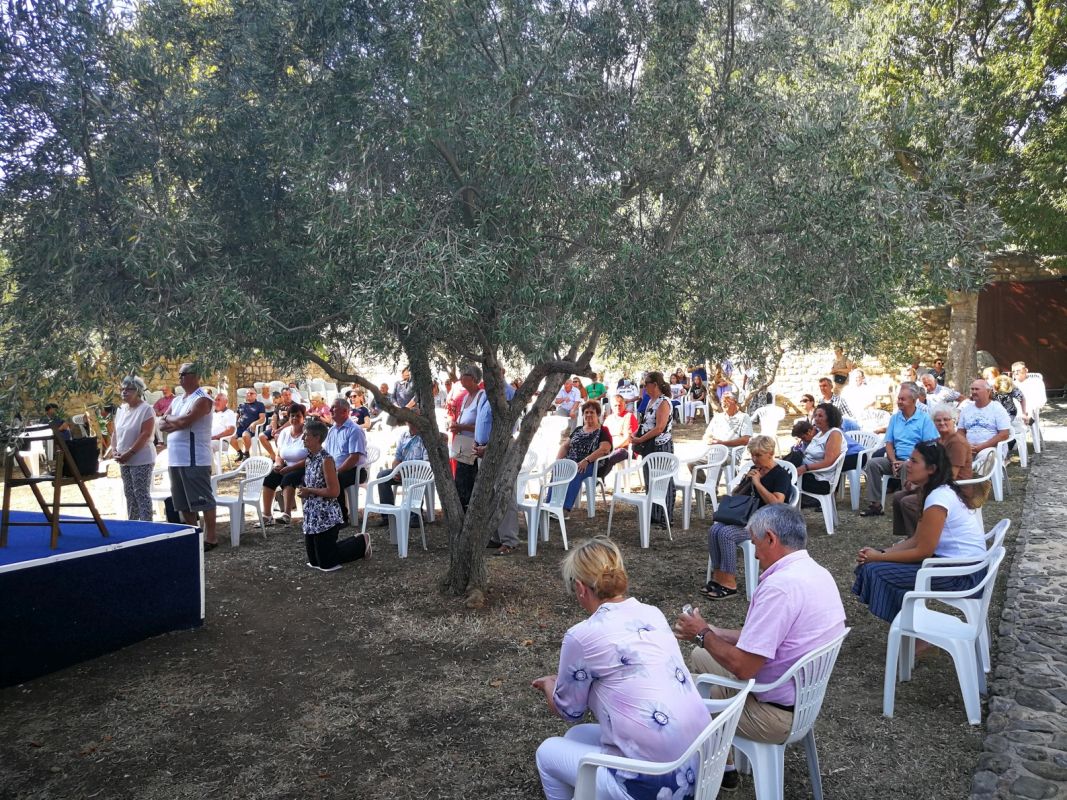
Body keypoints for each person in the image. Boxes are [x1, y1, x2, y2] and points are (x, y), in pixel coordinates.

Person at [532, 537, 711, 800]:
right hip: (701, 765)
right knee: (576, 736)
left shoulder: (581, 635)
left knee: (547, 753)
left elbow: (569, 710)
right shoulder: (652, 612)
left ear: (580, 588)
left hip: (658, 783)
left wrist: (551, 685)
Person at [675, 505, 846, 767]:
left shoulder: (780, 587)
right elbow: (771, 638)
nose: (754, 554)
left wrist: (703, 634)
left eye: (755, 544)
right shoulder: (817, 573)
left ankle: (718, 771)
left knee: (681, 690)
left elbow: (743, 667)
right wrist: (715, 632)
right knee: (701, 655)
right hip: (801, 700)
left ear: (771, 538)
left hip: (773, 712)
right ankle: (726, 761)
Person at [853, 441, 986, 628]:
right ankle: (911, 627)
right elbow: (916, 539)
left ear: (931, 469)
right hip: (961, 567)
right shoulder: (936, 491)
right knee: (871, 566)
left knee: (873, 571)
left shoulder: (938, 498)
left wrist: (878, 558)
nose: (908, 464)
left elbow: (923, 551)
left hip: (963, 575)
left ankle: (914, 632)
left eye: (914, 461)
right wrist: (881, 552)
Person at [702, 435, 791, 600]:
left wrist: (758, 483)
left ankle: (730, 583)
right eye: (752, 455)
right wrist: (747, 482)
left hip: (767, 523)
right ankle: (718, 576)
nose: (755, 459)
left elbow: (777, 503)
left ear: (770, 453)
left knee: (726, 534)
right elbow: (736, 495)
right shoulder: (754, 469)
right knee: (714, 530)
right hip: (745, 518)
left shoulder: (781, 475)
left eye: (759, 455)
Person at [158, 363, 219, 550]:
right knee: (182, 502)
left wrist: (172, 420)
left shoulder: (202, 399)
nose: (180, 378)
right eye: (179, 374)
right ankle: (194, 534)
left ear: (195, 376)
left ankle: (211, 537)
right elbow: (161, 423)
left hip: (194, 458)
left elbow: (186, 421)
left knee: (203, 500)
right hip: (175, 458)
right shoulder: (177, 400)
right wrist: (173, 420)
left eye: (183, 374)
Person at [297, 420, 371, 571]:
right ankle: (342, 544)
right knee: (314, 561)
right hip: (312, 515)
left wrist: (309, 491)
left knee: (327, 563)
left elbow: (334, 491)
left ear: (317, 437)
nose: (303, 438)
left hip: (326, 516)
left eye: (306, 435)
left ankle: (361, 543)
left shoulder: (326, 460)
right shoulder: (309, 459)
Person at [891, 403, 975, 537]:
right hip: (939, 485)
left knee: (908, 502)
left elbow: (951, 476)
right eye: (938, 420)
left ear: (954, 421)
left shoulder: (957, 442)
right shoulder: (938, 441)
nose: (942, 423)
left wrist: (920, 486)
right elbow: (927, 466)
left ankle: (923, 539)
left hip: (956, 490)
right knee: (898, 496)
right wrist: (915, 481)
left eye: (946, 419)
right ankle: (910, 536)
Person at [859, 383, 937, 517]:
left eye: (903, 399)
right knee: (872, 463)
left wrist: (909, 460)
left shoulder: (924, 419)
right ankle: (875, 505)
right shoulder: (895, 418)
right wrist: (894, 460)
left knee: (907, 466)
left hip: (915, 462)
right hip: (895, 459)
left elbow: (928, 446)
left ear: (913, 400)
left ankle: (906, 506)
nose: (899, 401)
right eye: (899, 398)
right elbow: (889, 443)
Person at [474, 376, 521, 554]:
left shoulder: (508, 392)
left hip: (501, 447)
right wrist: (477, 443)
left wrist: (489, 447)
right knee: (489, 493)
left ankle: (509, 540)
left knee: (504, 492)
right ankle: (495, 536)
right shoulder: (485, 393)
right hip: (483, 449)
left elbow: (508, 426)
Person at [629, 371, 675, 527]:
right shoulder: (650, 400)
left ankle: (665, 517)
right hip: (648, 445)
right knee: (650, 478)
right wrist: (636, 433)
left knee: (663, 480)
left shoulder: (664, 402)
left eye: (646, 384)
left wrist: (640, 439)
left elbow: (660, 428)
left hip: (661, 445)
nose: (644, 387)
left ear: (655, 384)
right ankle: (653, 513)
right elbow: (646, 422)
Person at [110, 376, 157, 521]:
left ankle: (146, 526)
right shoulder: (121, 409)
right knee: (129, 494)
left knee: (141, 493)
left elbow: (145, 434)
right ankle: (133, 524)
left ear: (138, 391)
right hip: (123, 459)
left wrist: (130, 453)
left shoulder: (146, 409)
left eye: (129, 389)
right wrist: (114, 450)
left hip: (141, 458)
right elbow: (115, 432)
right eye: (123, 389)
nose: (124, 392)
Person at [554, 401, 613, 512]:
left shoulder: (603, 430)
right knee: (558, 470)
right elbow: (565, 446)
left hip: (592, 464)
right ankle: (551, 504)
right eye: (586, 412)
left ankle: (564, 509)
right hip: (573, 461)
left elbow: (604, 449)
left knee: (576, 471)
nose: (588, 415)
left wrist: (586, 460)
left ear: (598, 414)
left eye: (592, 412)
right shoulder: (578, 430)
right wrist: (557, 461)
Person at [371, 418, 428, 526]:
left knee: (414, 478)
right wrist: (396, 471)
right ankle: (388, 516)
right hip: (402, 471)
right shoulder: (404, 435)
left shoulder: (425, 437)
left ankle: (415, 516)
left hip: (418, 471)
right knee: (382, 476)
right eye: (409, 419)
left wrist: (405, 473)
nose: (412, 421)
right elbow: (397, 458)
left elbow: (425, 463)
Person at [785, 402, 845, 500]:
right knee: (791, 459)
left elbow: (829, 462)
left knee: (779, 476)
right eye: (815, 415)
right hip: (808, 474)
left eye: (820, 416)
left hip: (819, 480)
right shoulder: (820, 434)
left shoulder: (834, 434)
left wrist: (805, 468)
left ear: (830, 418)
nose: (816, 418)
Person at [323, 398, 368, 525]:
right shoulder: (332, 430)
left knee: (336, 479)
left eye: (334, 407)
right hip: (336, 469)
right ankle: (325, 515)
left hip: (354, 470)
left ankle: (342, 517)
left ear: (344, 411)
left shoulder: (354, 430)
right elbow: (326, 454)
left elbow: (354, 458)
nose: (330, 410)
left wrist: (335, 471)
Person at [261, 403, 307, 526]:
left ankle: (287, 514)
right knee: (269, 478)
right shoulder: (285, 432)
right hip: (286, 466)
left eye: (298, 416)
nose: (295, 418)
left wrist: (290, 468)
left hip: (304, 466)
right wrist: (278, 465)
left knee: (288, 477)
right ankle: (267, 515)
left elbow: (311, 458)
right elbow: (279, 454)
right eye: (292, 416)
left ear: (303, 417)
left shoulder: (308, 433)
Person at [449, 364, 484, 510]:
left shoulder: (481, 396)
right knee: (460, 482)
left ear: (473, 378)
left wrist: (462, 427)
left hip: (474, 446)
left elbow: (482, 426)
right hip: (462, 444)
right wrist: (456, 425)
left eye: (464, 375)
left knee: (469, 482)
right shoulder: (465, 397)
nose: (461, 378)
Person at [958, 379, 1011, 459]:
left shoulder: (997, 408)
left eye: (977, 389)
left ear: (988, 391)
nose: (974, 392)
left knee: (984, 456)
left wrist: (981, 447)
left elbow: (1004, 434)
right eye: (972, 389)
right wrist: (966, 445)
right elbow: (960, 431)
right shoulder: (966, 409)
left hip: (991, 448)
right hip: (968, 448)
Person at [598, 394, 639, 479]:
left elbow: (628, 439)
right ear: (611, 407)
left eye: (620, 405)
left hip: (625, 450)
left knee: (611, 456)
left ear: (624, 405)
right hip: (608, 449)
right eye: (615, 405)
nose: (618, 407)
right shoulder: (609, 419)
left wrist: (612, 448)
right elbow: (602, 436)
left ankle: (600, 478)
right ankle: (596, 478)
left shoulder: (629, 416)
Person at [230, 388, 266, 462]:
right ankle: (240, 453)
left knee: (245, 435)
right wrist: (234, 422)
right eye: (247, 393)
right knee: (230, 437)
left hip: (252, 428)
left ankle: (246, 453)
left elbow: (262, 418)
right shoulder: (241, 405)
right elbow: (236, 416)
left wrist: (254, 423)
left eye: (251, 393)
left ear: (255, 395)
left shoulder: (260, 405)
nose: (249, 394)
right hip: (240, 427)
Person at [259, 386, 294, 460]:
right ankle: (273, 456)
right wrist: (274, 429)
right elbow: (274, 417)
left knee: (277, 436)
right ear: (282, 396)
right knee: (262, 436)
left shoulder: (294, 406)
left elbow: (291, 421)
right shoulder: (279, 405)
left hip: (288, 429)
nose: (288, 396)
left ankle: (281, 458)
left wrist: (279, 430)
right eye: (285, 395)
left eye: (289, 394)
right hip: (277, 428)